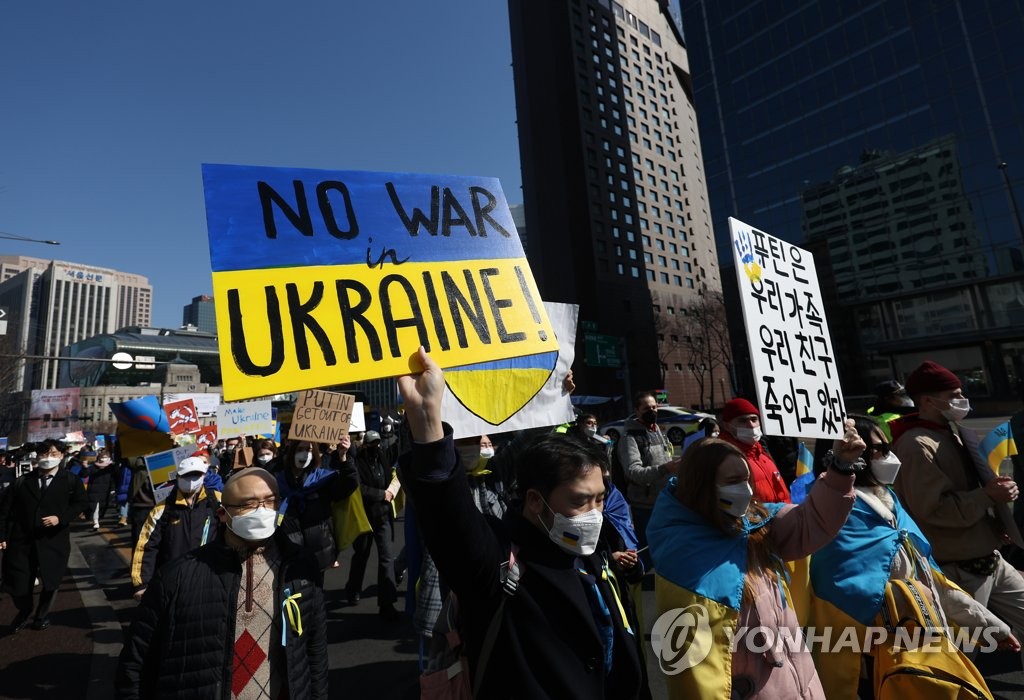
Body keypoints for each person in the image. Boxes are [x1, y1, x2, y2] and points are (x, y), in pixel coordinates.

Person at [398, 348, 651, 699]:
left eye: (600, 499)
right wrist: (427, 422)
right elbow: (451, 521)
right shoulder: (500, 563)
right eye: (579, 501)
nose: (594, 513)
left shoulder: (595, 549)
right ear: (535, 500)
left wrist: (554, 395)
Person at [647, 424, 862, 699]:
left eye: (746, 479)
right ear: (701, 484)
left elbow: (812, 521)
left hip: (800, 685)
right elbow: (694, 669)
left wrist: (841, 468)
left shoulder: (753, 524)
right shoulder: (684, 557)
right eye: (732, 480)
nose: (746, 490)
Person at [810, 414, 1016, 699]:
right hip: (867, 661)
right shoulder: (828, 514)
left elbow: (932, 582)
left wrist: (991, 628)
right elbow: (837, 595)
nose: (890, 456)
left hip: (921, 650)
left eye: (887, 446)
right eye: (879, 450)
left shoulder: (891, 503)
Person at [116, 468, 329, 699]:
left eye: (270, 501)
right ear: (222, 513)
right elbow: (136, 663)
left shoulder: (300, 567)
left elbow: (314, 651)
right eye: (248, 504)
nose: (262, 511)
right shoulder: (176, 576)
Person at [892, 360, 1024, 637]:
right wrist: (988, 495)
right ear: (928, 400)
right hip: (957, 571)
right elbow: (935, 509)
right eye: (954, 396)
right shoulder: (916, 445)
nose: (963, 400)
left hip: (990, 558)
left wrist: (996, 519)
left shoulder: (949, 434)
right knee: (968, 652)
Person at [0, 439, 88, 632]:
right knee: (19, 584)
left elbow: (81, 503)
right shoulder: (22, 481)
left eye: (54, 454)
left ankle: (41, 616)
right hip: (22, 541)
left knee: (51, 581)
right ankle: (25, 609)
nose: (48, 458)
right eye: (44, 454)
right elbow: (5, 511)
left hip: (54, 541)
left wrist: (61, 518)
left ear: (62, 456)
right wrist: (2, 536)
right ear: (37, 457)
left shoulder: (71, 481)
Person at [130, 456, 222, 600]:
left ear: (204, 475)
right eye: (186, 475)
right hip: (172, 581)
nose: (191, 480)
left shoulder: (218, 501)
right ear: (178, 477)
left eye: (196, 475)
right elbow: (146, 545)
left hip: (210, 578)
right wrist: (142, 584)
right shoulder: (162, 509)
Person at [616, 391, 679, 568]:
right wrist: (665, 468)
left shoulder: (658, 431)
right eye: (646, 408)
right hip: (645, 505)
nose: (652, 411)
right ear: (637, 411)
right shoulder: (630, 439)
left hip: (665, 499)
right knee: (649, 552)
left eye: (654, 407)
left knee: (666, 548)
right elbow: (633, 472)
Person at [277, 437, 358, 571]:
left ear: (314, 453)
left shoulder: (323, 478)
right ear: (292, 452)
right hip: (289, 552)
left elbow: (348, 485)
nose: (304, 454)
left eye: (308, 450)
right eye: (300, 449)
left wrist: (343, 456)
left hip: (320, 552)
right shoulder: (278, 480)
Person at [346, 430, 403, 617]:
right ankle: (353, 589)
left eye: (377, 443)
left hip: (383, 516)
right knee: (361, 554)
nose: (375, 447)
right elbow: (358, 487)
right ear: (364, 444)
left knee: (387, 558)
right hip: (364, 516)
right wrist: (381, 495)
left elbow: (392, 475)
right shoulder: (357, 461)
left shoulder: (383, 458)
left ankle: (387, 604)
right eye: (371, 444)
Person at [718, 398, 790, 503]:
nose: (751, 425)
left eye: (754, 419)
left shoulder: (762, 454)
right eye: (742, 420)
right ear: (727, 426)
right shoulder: (725, 458)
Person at [86, 448, 116, 530]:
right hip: (94, 490)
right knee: (95, 506)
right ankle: (95, 521)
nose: (104, 459)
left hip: (105, 490)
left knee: (103, 506)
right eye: (103, 457)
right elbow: (85, 473)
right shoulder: (94, 466)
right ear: (99, 457)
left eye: (106, 457)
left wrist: (113, 489)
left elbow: (113, 479)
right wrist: (84, 467)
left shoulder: (111, 467)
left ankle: (98, 519)